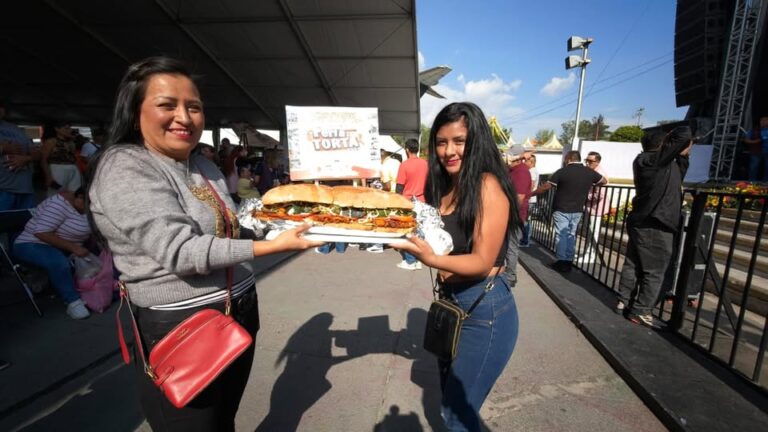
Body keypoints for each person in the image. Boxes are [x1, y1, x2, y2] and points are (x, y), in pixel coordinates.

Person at [87, 56, 322, 431]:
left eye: (193, 107)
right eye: (167, 105)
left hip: (239, 308)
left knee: (224, 420)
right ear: (134, 113)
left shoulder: (203, 165)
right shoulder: (125, 165)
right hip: (183, 324)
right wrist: (272, 247)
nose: (184, 117)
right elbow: (181, 251)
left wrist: (293, 218)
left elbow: (231, 229)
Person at [394, 102, 520, 432]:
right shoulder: (447, 185)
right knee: (452, 406)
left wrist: (430, 259)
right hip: (452, 304)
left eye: (459, 141)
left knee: (456, 415)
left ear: (476, 140)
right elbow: (442, 240)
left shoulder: (487, 185)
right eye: (441, 142)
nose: (449, 151)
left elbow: (481, 260)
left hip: (485, 309)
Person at [616, 127, 692, 329]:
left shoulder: (660, 164)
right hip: (655, 222)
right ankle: (641, 311)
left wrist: (683, 156)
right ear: (664, 145)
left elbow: (678, 173)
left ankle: (624, 301)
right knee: (656, 271)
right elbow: (684, 133)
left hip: (648, 220)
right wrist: (674, 135)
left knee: (634, 264)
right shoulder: (651, 160)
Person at [13, 188, 91, 319]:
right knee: (58, 262)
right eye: (88, 204)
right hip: (32, 243)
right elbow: (42, 233)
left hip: (61, 247)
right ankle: (73, 302)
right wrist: (74, 248)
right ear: (79, 197)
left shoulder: (85, 206)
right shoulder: (58, 205)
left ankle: (43, 279)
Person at [533, 151, 606, 272]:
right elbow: (603, 181)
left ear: (569, 159)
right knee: (571, 235)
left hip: (562, 208)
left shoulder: (562, 171)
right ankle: (568, 260)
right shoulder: (589, 172)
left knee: (561, 235)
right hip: (577, 209)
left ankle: (561, 261)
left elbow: (546, 186)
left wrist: (532, 193)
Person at [394, 138, 427, 270]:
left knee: (408, 231)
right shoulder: (425, 164)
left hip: (408, 202)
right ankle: (418, 260)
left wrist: (396, 202)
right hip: (422, 201)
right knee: (419, 231)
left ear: (407, 149)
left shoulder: (404, 165)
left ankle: (410, 261)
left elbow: (399, 187)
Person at [503, 144, 532, 287]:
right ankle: (507, 274)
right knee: (507, 246)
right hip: (509, 215)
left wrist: (506, 214)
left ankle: (510, 276)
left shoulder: (521, 172)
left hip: (514, 216)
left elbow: (519, 198)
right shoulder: (512, 170)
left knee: (511, 247)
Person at [0, 99, 37, 211]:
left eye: (1, 106)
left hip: (25, 188)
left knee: (25, 221)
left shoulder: (15, 128)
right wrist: (3, 148)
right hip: (2, 188)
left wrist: (26, 158)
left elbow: (37, 153)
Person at [578, 151, 610, 263]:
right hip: (591, 207)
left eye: (590, 161)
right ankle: (587, 253)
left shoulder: (599, 173)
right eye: (586, 160)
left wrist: (585, 196)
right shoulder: (592, 171)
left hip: (596, 208)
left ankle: (590, 256)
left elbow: (600, 194)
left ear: (597, 162)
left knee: (593, 232)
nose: (587, 163)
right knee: (589, 231)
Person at [41, 121, 81, 195]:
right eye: (66, 128)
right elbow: (44, 160)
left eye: (69, 128)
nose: (69, 130)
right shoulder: (51, 141)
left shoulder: (71, 142)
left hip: (72, 168)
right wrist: (48, 177)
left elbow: (73, 157)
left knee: (74, 193)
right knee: (56, 194)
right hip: (57, 168)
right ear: (57, 129)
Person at [520, 154, 539, 246]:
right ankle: (525, 239)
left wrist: (525, 195)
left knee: (525, 221)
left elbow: (531, 185)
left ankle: (525, 240)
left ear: (531, 162)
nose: (524, 162)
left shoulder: (532, 171)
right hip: (530, 199)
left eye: (526, 160)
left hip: (530, 199)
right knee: (526, 220)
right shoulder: (532, 171)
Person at [742, 116, 768, 181]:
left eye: (765, 120)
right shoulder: (754, 130)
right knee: (754, 167)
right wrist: (755, 141)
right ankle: (752, 181)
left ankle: (766, 181)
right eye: (761, 120)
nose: (763, 122)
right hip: (756, 152)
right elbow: (746, 140)